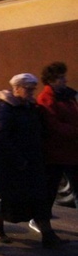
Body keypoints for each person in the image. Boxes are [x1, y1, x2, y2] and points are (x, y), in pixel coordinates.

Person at [0, 73, 67, 248]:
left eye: (33, 89)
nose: (32, 93)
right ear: (16, 89)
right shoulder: (4, 107)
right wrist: (18, 160)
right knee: (10, 198)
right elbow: (2, 136)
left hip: (33, 160)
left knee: (39, 197)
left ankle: (48, 234)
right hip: (12, 163)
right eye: (28, 89)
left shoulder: (30, 106)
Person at [35, 62, 78, 213]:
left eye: (64, 76)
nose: (65, 80)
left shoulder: (69, 95)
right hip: (56, 155)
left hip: (72, 152)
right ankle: (42, 221)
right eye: (60, 77)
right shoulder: (46, 98)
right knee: (50, 191)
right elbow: (53, 125)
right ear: (51, 80)